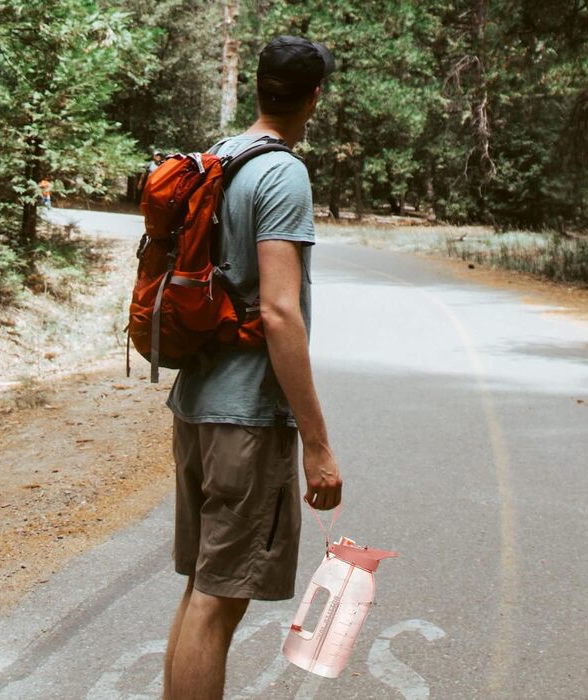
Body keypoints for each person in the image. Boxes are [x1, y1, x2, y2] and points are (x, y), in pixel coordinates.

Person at [162, 36, 342, 700]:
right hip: (246, 419)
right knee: (217, 604)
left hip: (197, 401)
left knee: (200, 592)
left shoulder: (223, 154)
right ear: (314, 97)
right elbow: (279, 313)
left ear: (260, 88)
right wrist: (317, 446)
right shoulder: (283, 173)